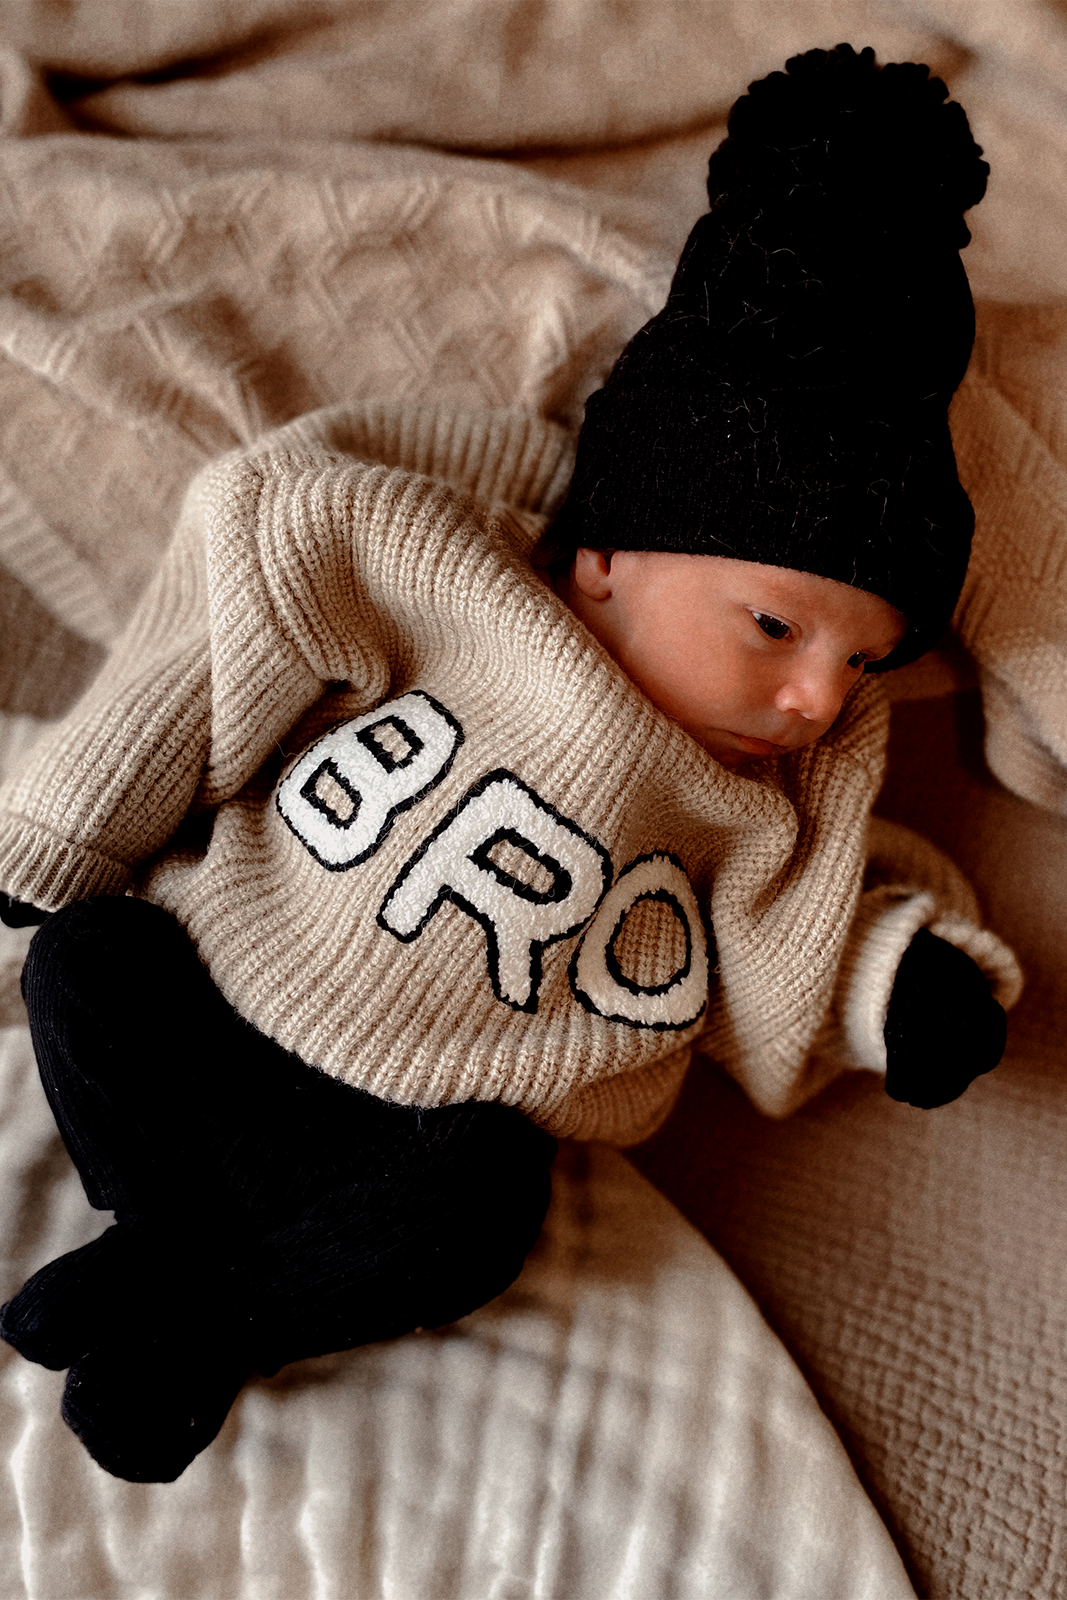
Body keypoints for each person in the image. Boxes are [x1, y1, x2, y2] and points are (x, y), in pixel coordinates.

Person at [0, 44, 1020, 1483]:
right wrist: (66, 828)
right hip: (220, 995)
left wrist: (896, 987)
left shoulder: (751, 810)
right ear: (607, 559)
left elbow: (788, 945)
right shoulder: (443, 585)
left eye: (862, 664)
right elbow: (236, 614)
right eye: (776, 627)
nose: (814, 698)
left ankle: (223, 1318)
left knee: (484, 1205)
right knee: (85, 964)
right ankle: (165, 1238)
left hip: (424, 1138)